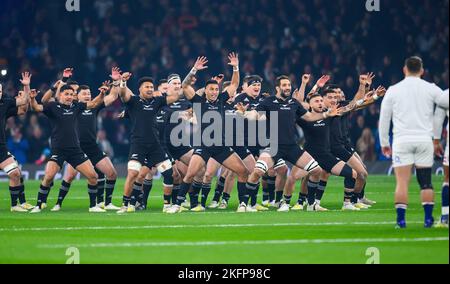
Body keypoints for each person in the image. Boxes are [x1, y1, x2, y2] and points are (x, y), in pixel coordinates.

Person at [379, 56, 449, 228]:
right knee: (426, 181)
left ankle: (401, 221)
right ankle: (427, 219)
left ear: (405, 69)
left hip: (402, 140)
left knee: (402, 182)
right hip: (424, 140)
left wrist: (384, 143)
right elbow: (445, 101)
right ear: (422, 71)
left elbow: (384, 118)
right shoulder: (430, 88)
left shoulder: (393, 90)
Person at [29, 84, 106, 213]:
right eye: (67, 94)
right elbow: (36, 107)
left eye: (71, 95)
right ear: (60, 95)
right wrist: (32, 99)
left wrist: (102, 93)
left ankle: (93, 206)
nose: (69, 97)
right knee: (48, 177)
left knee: (93, 176)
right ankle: (38, 205)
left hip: (75, 150)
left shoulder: (77, 106)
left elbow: (93, 104)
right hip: (58, 150)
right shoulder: (53, 107)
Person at [51, 79, 120, 212]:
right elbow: (57, 99)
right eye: (84, 93)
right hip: (76, 148)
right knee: (69, 177)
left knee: (112, 173)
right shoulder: (72, 106)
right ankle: (58, 203)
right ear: (77, 95)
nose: (88, 95)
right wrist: (61, 83)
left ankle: (106, 203)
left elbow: (113, 96)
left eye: (89, 93)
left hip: (92, 147)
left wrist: (116, 82)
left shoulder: (94, 105)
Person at [0, 75, 32, 212]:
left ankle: (15, 205)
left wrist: (26, 86)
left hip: (0, 148)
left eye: (0, 91)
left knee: (15, 174)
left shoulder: (4, 103)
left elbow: (23, 104)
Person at [433, 88, 449, 227]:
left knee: (448, 179)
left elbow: (438, 117)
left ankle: (445, 217)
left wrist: (436, 141)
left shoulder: (446, 95)